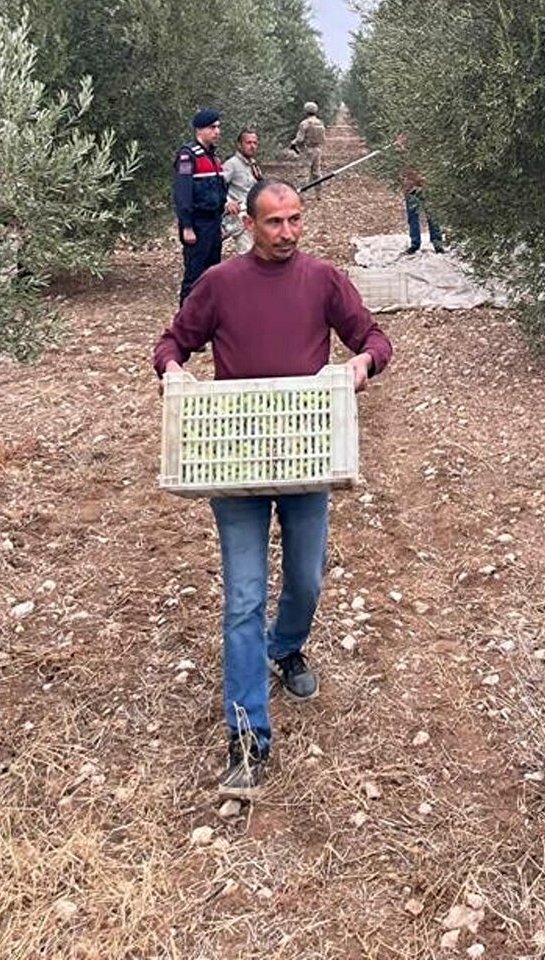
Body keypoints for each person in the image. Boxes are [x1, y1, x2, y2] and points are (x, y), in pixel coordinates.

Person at [153, 180, 392, 798]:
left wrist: (361, 364)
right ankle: (247, 737)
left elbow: (374, 338)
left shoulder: (323, 279)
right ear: (249, 226)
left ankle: (285, 647)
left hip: (307, 454)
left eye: (294, 220)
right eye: (274, 223)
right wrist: (174, 371)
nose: (288, 233)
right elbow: (172, 341)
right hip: (237, 462)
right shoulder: (221, 284)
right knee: (242, 596)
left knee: (307, 578)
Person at [172, 108, 228, 305]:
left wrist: (222, 217)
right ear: (199, 130)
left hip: (213, 222)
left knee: (212, 273)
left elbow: (219, 191)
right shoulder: (188, 157)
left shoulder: (213, 158)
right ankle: (185, 320)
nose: (217, 131)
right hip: (197, 224)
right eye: (212, 127)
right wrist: (187, 225)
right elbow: (183, 193)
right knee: (194, 274)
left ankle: (207, 318)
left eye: (218, 127)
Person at [221, 129, 264, 255]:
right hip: (240, 218)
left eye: (255, 143)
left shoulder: (254, 165)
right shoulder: (231, 164)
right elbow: (217, 188)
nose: (252, 146)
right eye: (248, 142)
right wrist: (227, 202)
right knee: (247, 254)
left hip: (255, 215)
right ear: (239, 144)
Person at [292, 101, 327, 183]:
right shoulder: (320, 122)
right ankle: (318, 193)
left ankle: (302, 192)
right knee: (316, 173)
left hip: (307, 150)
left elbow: (300, 139)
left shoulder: (305, 123)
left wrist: (293, 143)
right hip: (317, 150)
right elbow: (323, 138)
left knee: (304, 173)